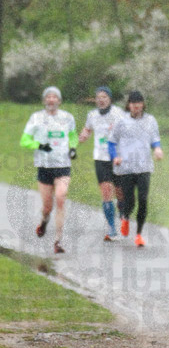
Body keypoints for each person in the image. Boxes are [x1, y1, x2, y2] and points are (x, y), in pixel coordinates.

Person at [20, 86, 77, 254]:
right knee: (47, 208)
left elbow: (72, 136)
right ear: (45, 100)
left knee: (61, 198)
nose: (51, 100)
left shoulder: (67, 118)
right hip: (44, 167)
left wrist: (73, 148)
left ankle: (58, 241)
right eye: (48, 97)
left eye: (55, 97)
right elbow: (24, 140)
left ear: (59, 101)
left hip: (63, 165)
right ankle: (44, 221)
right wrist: (39, 145)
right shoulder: (36, 118)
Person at [108, 91, 163, 248]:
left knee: (143, 200)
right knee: (129, 201)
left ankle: (138, 234)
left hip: (144, 166)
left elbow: (155, 140)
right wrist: (115, 157)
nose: (136, 106)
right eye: (133, 103)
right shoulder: (121, 121)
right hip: (126, 167)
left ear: (143, 104)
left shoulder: (151, 121)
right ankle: (125, 216)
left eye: (139, 102)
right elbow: (111, 142)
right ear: (128, 105)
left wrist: (157, 149)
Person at [78, 85, 126, 240]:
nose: (101, 100)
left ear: (109, 99)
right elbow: (87, 129)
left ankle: (123, 213)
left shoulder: (118, 113)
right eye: (98, 97)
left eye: (104, 97)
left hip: (117, 158)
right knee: (106, 193)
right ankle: (111, 227)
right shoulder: (92, 115)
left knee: (121, 195)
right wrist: (83, 135)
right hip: (100, 157)